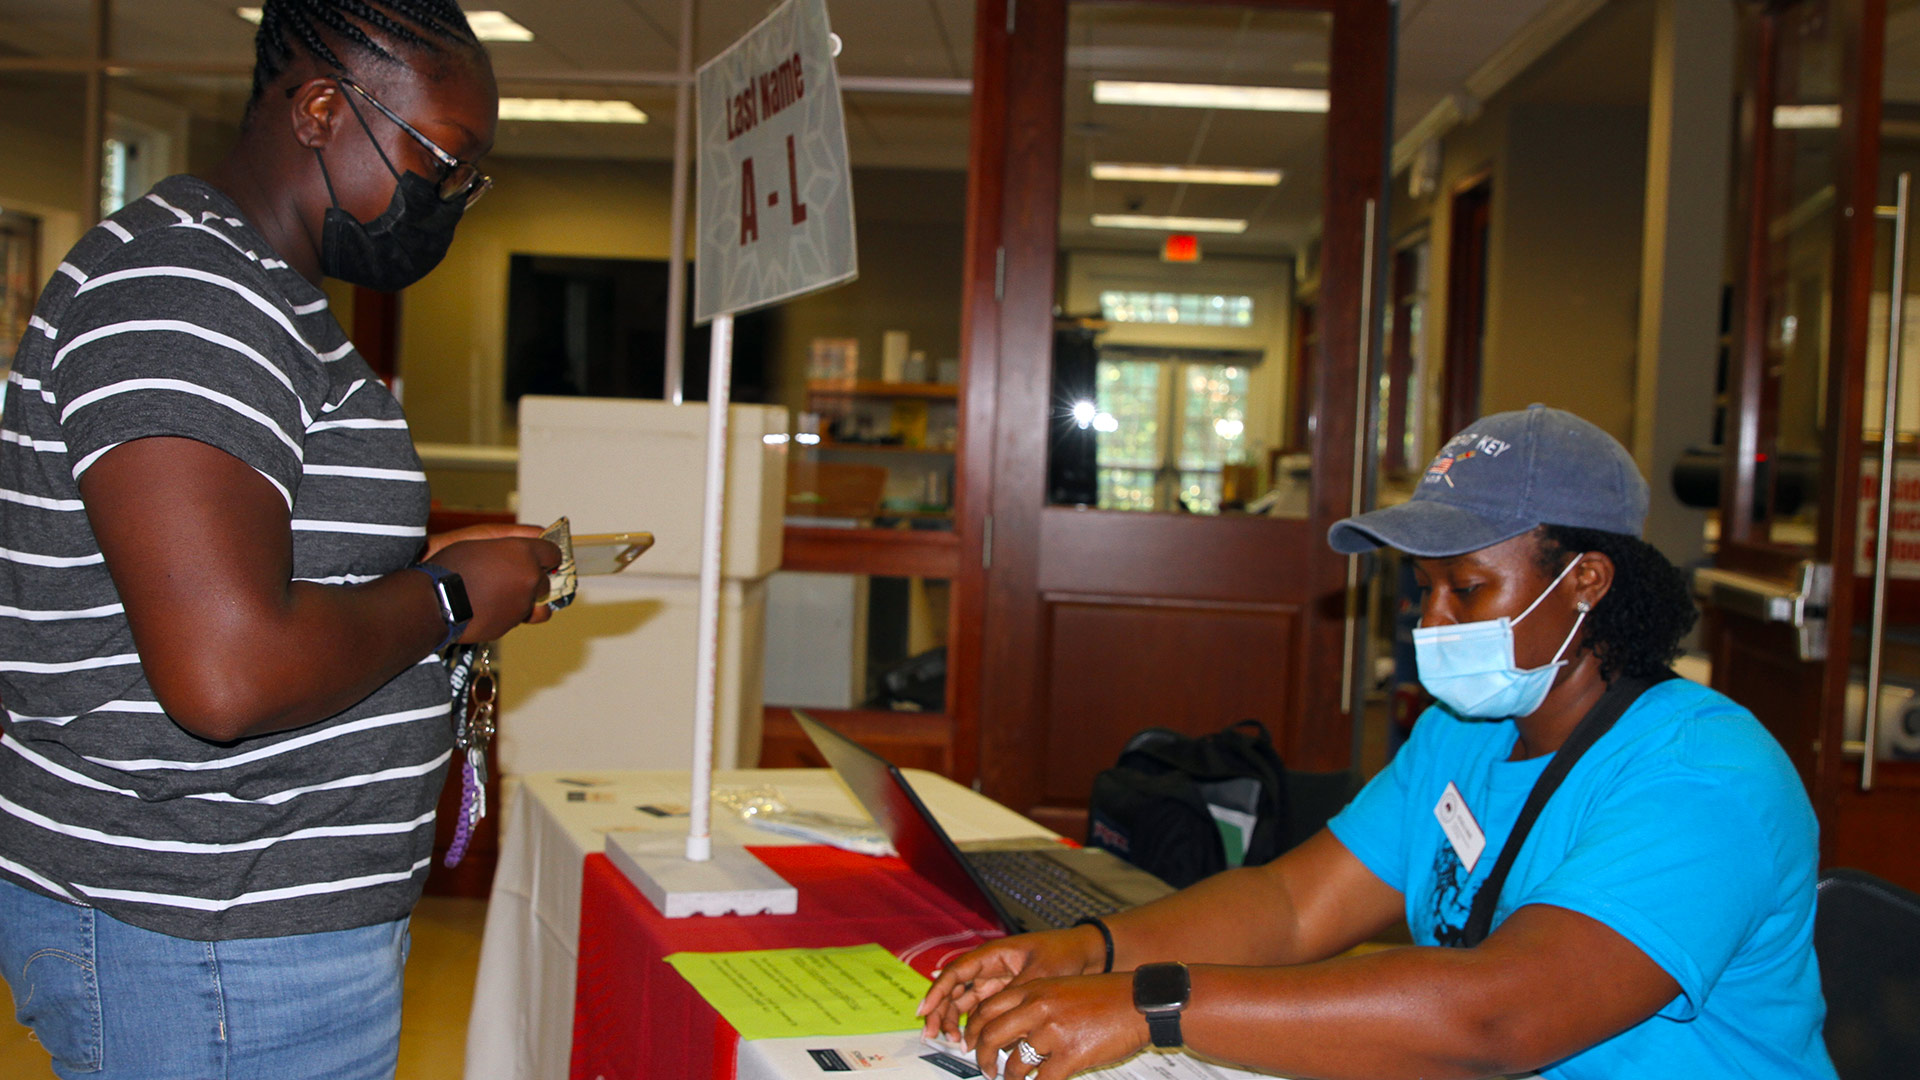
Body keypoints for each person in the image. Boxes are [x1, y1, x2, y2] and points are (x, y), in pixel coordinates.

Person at [920, 405, 1836, 1080]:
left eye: (1465, 590)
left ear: (1587, 581)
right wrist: (1086, 952)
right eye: (1423, 589)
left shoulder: (1705, 779)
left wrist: (1151, 1004)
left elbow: (1498, 1019)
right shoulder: (1462, 736)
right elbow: (1290, 905)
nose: (1429, 622)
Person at [0, 2, 557, 1078]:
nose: (449, 199)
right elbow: (228, 671)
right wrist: (447, 600)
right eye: (443, 160)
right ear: (318, 110)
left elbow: (271, 579)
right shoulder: (186, 295)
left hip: (244, 925)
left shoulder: (262, 300)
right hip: (201, 935)